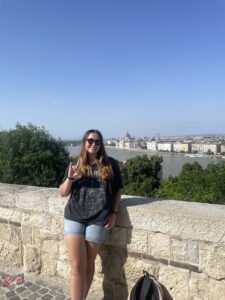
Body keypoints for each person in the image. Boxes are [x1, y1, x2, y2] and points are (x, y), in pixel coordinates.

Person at [59, 129, 123, 300]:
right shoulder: (76, 164)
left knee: (88, 264)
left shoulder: (111, 165)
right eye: (90, 140)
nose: (93, 144)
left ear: (101, 144)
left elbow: (117, 191)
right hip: (74, 216)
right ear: (84, 142)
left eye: (97, 141)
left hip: (99, 219)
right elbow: (63, 193)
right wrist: (70, 178)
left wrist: (114, 213)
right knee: (76, 265)